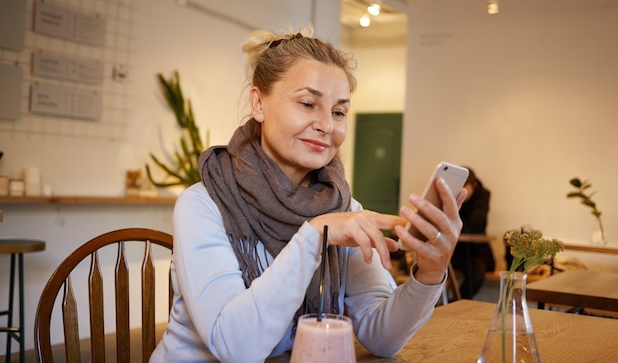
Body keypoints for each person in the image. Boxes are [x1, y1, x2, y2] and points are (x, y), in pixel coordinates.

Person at [149, 27, 467, 363]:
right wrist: (315, 234)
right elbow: (235, 347)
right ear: (259, 103)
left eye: (339, 111)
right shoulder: (203, 204)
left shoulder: (342, 208)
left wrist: (429, 274)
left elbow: (381, 336)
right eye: (307, 103)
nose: (327, 125)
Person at [450, 167, 495, 299]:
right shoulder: (453, 194)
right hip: (458, 249)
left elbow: (476, 222)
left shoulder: (483, 195)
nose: (461, 193)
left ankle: (456, 303)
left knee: (476, 272)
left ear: (473, 185)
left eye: (464, 189)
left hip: (477, 251)